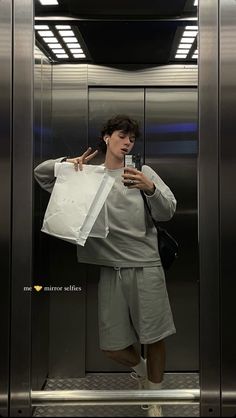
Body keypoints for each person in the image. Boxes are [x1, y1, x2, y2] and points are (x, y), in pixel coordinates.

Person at [34, 114, 177, 417]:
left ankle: (155, 399)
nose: (127, 142)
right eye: (122, 136)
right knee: (111, 346)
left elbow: (168, 211)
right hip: (109, 267)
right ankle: (141, 371)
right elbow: (41, 174)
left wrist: (150, 187)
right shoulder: (87, 174)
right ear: (107, 138)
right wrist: (67, 163)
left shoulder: (142, 171)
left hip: (146, 264)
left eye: (132, 138)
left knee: (154, 337)